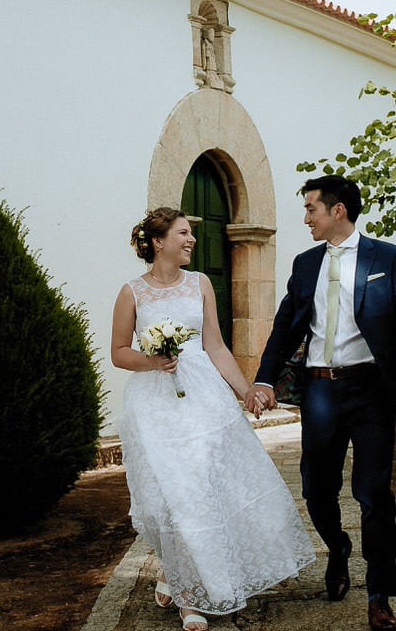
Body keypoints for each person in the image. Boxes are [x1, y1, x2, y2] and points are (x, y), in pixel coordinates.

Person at [111, 207, 314, 630]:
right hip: (154, 405)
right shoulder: (132, 292)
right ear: (158, 242)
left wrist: (246, 393)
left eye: (191, 234)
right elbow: (119, 353)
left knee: (202, 487)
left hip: (202, 398)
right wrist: (153, 360)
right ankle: (187, 594)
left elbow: (216, 347)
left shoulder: (200, 283)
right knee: (173, 495)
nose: (191, 241)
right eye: (183, 233)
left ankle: (187, 584)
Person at [247, 175, 396, 631]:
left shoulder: (387, 258)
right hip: (321, 390)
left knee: (373, 494)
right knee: (315, 489)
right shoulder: (306, 263)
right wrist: (265, 378)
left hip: (371, 390)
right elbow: (285, 324)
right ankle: (337, 548)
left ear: (338, 211)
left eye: (311, 208)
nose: (306, 217)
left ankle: (379, 596)